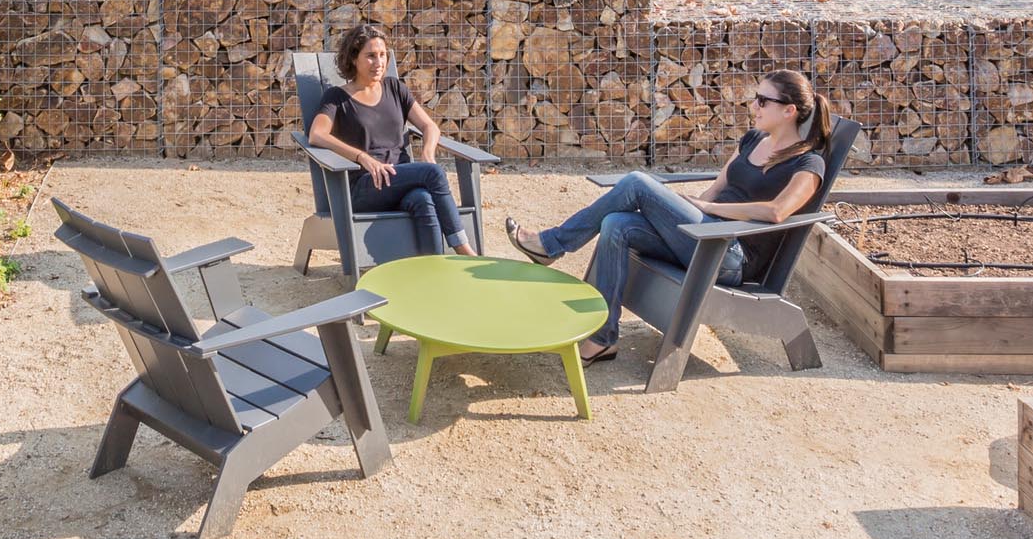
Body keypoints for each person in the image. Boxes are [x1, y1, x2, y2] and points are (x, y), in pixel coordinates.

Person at [506, 70, 834, 363]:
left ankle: (551, 245)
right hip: (701, 233)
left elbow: (777, 211)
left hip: (729, 254)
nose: (754, 106)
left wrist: (709, 210)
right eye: (755, 98)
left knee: (636, 182)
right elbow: (719, 185)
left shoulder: (808, 164)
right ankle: (602, 339)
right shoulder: (752, 140)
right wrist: (692, 208)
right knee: (615, 224)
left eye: (763, 101)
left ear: (789, 111)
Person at [307, 24, 476, 257]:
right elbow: (317, 134)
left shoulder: (395, 88)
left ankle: (434, 268)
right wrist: (362, 157)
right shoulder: (338, 98)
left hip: (400, 179)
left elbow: (429, 126)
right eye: (370, 56)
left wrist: (427, 153)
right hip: (365, 186)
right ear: (354, 58)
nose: (379, 63)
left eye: (383, 55)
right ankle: (465, 251)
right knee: (433, 174)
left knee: (423, 198)